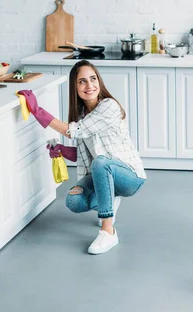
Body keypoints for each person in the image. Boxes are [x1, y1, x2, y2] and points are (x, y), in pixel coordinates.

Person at [18, 60, 146, 255]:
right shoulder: (82, 115)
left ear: (99, 82)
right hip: (103, 170)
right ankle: (110, 200)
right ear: (75, 87)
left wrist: (38, 111)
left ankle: (108, 231)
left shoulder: (109, 106)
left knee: (102, 163)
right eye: (82, 81)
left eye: (93, 79)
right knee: (73, 201)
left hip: (130, 177)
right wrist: (61, 150)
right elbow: (86, 155)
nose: (89, 86)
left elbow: (76, 133)